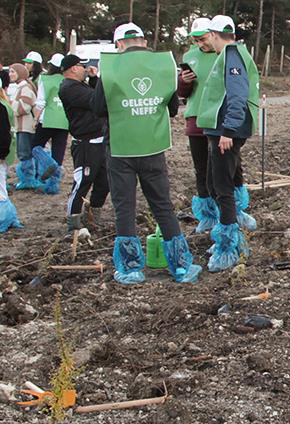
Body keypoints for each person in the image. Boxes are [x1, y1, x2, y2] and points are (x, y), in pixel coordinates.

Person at [91, 22, 201, 284]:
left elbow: (97, 108)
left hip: (120, 148)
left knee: (124, 208)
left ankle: (130, 269)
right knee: (162, 206)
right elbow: (173, 108)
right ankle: (181, 266)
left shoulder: (111, 69)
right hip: (152, 146)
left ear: (119, 45)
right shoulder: (162, 66)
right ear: (142, 41)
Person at [194, 15, 261, 272]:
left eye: (206, 37)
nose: (204, 42)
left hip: (226, 130)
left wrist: (229, 130)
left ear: (214, 34)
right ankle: (228, 233)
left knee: (222, 187)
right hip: (221, 129)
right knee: (215, 183)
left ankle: (229, 246)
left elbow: (237, 93)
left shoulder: (232, 55)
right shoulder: (231, 54)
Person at [58, 54, 110, 234]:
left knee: (105, 180)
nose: (85, 69)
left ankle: (93, 214)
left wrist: (94, 79)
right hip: (86, 143)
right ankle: (73, 221)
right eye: (82, 66)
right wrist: (100, 80)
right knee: (83, 181)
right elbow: (98, 101)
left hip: (99, 139)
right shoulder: (70, 88)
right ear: (73, 68)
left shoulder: (79, 85)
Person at [30, 53, 69, 195]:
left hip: (47, 119)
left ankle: (48, 163)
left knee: (35, 146)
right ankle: (53, 187)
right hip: (64, 120)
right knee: (58, 153)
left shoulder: (44, 79)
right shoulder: (67, 79)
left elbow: (41, 102)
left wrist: (35, 119)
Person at [10, 63, 39, 191]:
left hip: (26, 127)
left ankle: (28, 180)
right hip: (22, 127)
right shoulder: (21, 87)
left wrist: (10, 102)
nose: (10, 74)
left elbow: (23, 108)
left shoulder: (25, 88)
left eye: (13, 72)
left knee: (25, 154)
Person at [0, 69, 22, 232]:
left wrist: (2, 154)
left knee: (1, 189)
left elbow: (4, 134)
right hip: (4, 154)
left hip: (1, 155)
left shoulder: (2, 108)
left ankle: (5, 218)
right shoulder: (4, 105)